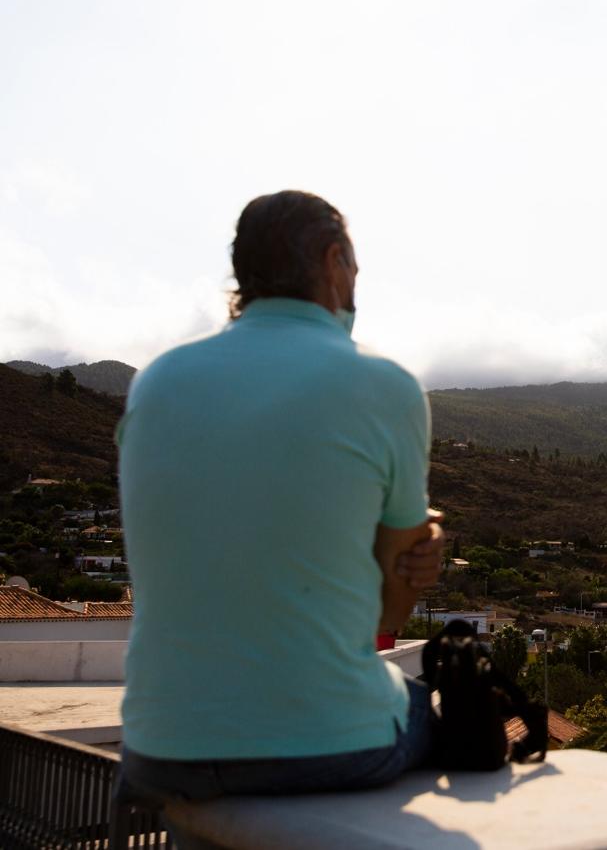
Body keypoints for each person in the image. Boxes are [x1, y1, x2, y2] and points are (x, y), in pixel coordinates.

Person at [117, 190, 443, 803]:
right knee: (441, 704)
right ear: (330, 261)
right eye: (352, 269)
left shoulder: (155, 381)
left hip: (160, 749)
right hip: (329, 745)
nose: (354, 290)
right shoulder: (384, 384)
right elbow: (387, 618)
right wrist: (420, 546)